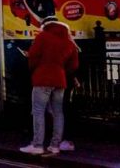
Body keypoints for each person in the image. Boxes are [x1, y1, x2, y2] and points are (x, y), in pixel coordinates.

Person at [20, 16, 79, 155]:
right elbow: (74, 64)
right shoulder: (69, 41)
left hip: (42, 78)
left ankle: (37, 145)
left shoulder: (42, 37)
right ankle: (55, 145)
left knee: (38, 111)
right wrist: (63, 71)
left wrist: (34, 69)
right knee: (58, 112)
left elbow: (33, 57)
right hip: (60, 79)